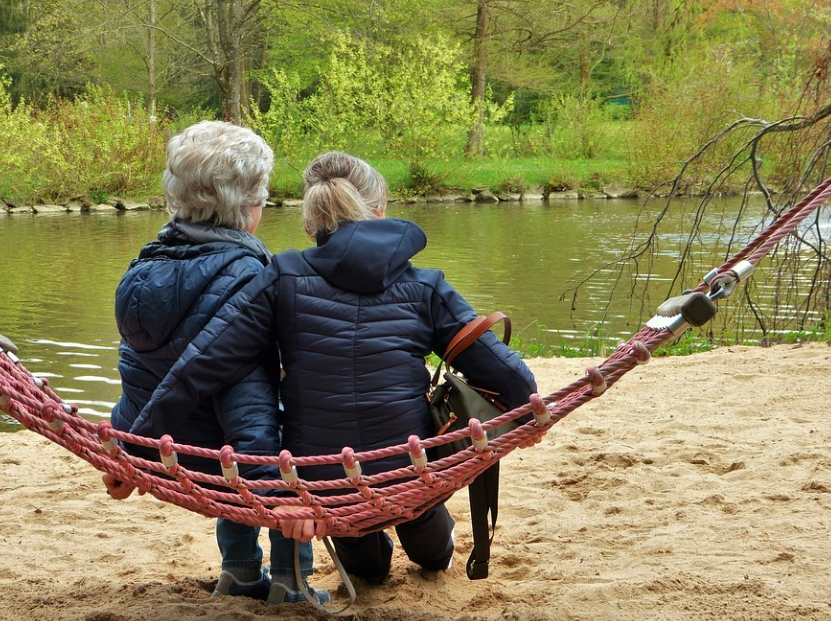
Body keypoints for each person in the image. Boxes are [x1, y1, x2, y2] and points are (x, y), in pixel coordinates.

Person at [131, 151, 538, 583]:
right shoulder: (426, 286)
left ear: (310, 225)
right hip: (411, 468)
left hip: (325, 483)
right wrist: (528, 414)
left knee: (368, 570)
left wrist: (135, 448)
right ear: (380, 211)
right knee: (428, 538)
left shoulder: (280, 276)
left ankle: (379, 543)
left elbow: (204, 365)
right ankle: (427, 536)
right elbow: (509, 376)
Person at [101, 121, 327, 606]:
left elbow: (139, 371)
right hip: (222, 456)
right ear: (247, 206)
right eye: (262, 196)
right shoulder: (250, 277)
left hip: (162, 446)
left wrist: (127, 447)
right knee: (296, 432)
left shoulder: (143, 266)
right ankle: (290, 582)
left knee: (232, 437)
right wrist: (277, 497)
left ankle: (240, 571)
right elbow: (250, 406)